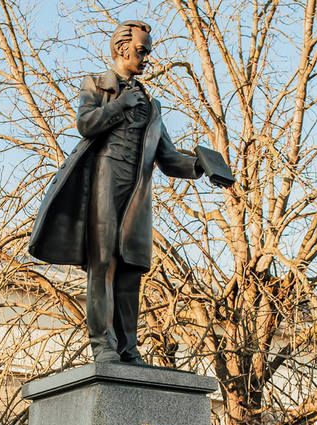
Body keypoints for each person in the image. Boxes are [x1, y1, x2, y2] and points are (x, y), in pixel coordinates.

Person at [27, 20, 208, 364]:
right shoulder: (97, 85)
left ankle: (128, 348)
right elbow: (86, 124)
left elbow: (168, 159)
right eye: (142, 51)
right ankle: (103, 345)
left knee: (131, 269)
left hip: (137, 195)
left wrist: (200, 165)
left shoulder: (151, 106)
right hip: (104, 184)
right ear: (122, 49)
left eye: (149, 53)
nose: (146, 59)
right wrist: (120, 105)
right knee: (104, 264)